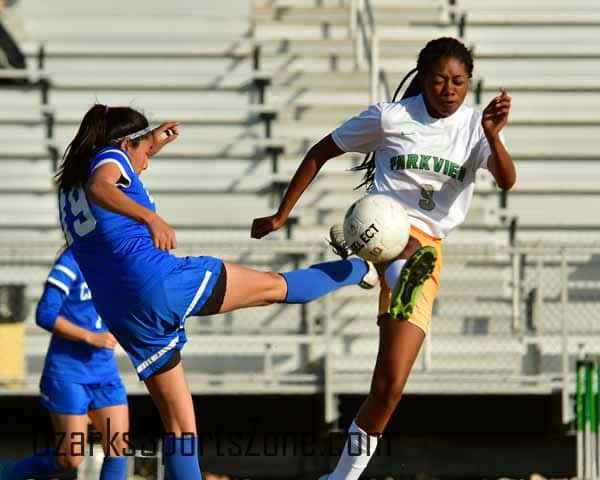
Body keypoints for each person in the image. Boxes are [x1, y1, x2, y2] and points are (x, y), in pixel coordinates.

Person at [46, 103, 387, 480]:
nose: (146, 164)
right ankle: (359, 267)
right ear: (126, 143)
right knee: (276, 287)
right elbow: (104, 184)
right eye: (144, 152)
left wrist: (153, 141)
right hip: (159, 283)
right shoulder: (110, 160)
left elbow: (107, 178)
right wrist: (151, 217)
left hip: (122, 311)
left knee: (180, 428)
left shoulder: (69, 184)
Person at [251, 37, 516, 480]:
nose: (449, 89)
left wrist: (492, 136)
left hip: (429, 245)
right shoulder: (391, 117)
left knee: (390, 386)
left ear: (469, 83)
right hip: (388, 223)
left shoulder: (474, 126)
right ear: (422, 80)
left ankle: (343, 476)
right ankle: (374, 259)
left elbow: (507, 180)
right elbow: (321, 150)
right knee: (399, 242)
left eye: (459, 81)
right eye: (439, 80)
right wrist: (281, 214)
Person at [0, 248, 129, 480]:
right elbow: (45, 314)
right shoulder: (72, 260)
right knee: (70, 458)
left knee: (118, 447)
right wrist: (90, 336)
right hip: (68, 374)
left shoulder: (119, 260)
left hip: (105, 372)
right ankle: (8, 472)